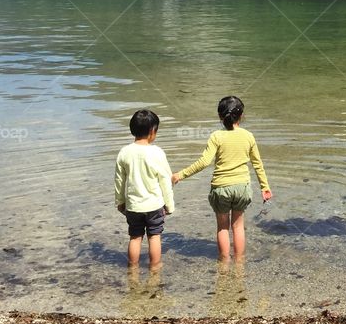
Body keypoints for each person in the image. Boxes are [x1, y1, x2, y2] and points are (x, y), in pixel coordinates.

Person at [172, 96, 272, 259]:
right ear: (241, 116)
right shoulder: (248, 136)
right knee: (238, 227)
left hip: (221, 188)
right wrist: (265, 187)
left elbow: (204, 162)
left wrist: (180, 175)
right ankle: (239, 263)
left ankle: (224, 263)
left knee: (223, 228)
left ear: (220, 116)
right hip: (242, 188)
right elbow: (257, 164)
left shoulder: (216, 136)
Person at [114, 109, 175, 268]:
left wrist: (120, 201)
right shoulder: (157, 152)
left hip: (133, 206)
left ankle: (132, 269)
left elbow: (119, 180)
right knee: (154, 237)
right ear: (152, 131)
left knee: (135, 237)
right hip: (154, 205)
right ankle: (155, 268)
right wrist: (169, 205)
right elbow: (166, 181)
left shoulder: (124, 152)